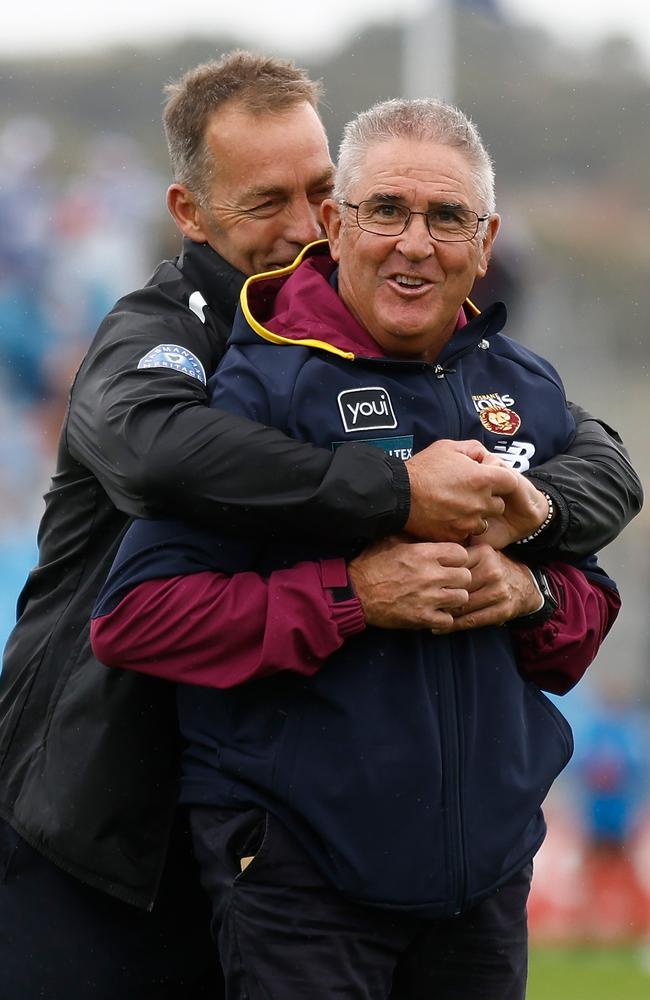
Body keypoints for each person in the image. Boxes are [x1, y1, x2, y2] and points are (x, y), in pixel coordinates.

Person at [0, 51, 641, 999]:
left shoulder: (463, 365)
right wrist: (391, 513)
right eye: (268, 202)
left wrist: (535, 555)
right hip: (95, 819)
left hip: (273, 833)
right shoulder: (170, 339)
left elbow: (601, 461)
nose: (304, 227)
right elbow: (156, 457)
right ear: (190, 213)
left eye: (320, 191)